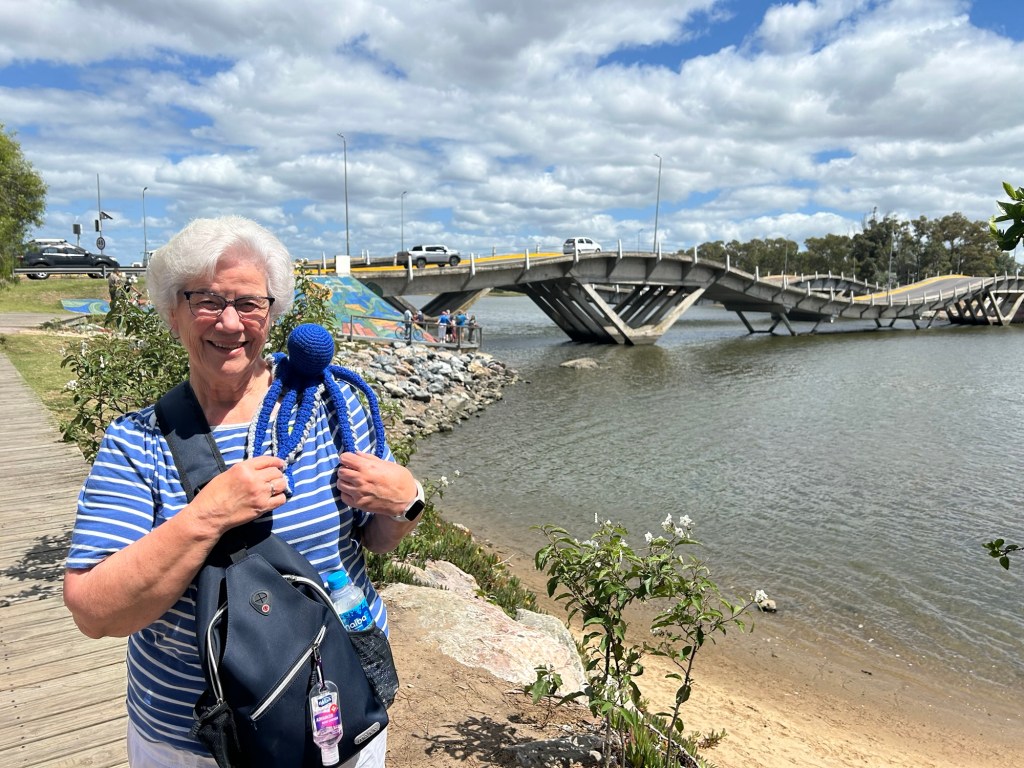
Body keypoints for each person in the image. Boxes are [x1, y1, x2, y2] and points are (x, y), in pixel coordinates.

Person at [63, 216, 421, 768]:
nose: (230, 323)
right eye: (207, 300)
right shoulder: (138, 442)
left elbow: (374, 542)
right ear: (172, 311)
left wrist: (407, 503)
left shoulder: (333, 402)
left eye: (250, 304)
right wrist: (206, 517)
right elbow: (95, 611)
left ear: (272, 315)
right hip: (197, 739)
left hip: (341, 700)